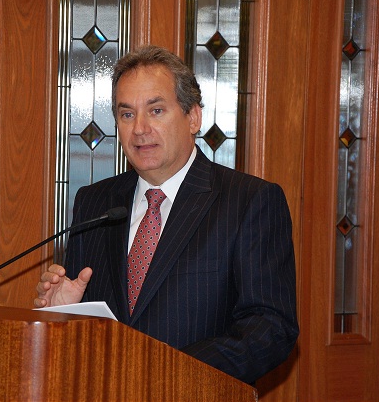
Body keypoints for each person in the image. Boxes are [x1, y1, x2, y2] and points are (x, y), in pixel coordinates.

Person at [35, 45, 299, 384]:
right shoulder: (95, 202)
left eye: (156, 110)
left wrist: (169, 371)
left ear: (193, 118)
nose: (139, 128)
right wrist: (62, 313)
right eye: (127, 114)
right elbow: (88, 328)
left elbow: (271, 328)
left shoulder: (248, 201)